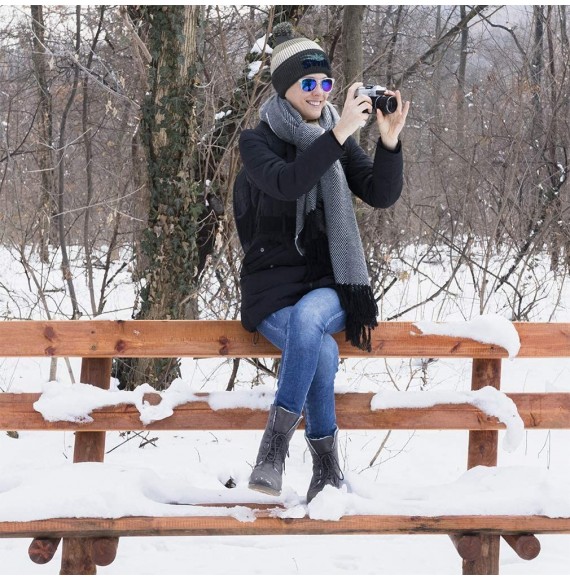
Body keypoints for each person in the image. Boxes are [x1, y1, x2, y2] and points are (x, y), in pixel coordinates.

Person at [237, 22, 409, 503]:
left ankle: (273, 449)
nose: (319, 92)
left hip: (328, 286)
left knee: (313, 318)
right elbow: (289, 182)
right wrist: (338, 133)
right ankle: (327, 473)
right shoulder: (257, 143)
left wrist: (388, 141)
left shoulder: (336, 134)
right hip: (271, 291)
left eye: (325, 83)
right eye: (307, 84)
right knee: (323, 352)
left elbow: (379, 193)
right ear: (284, 88)